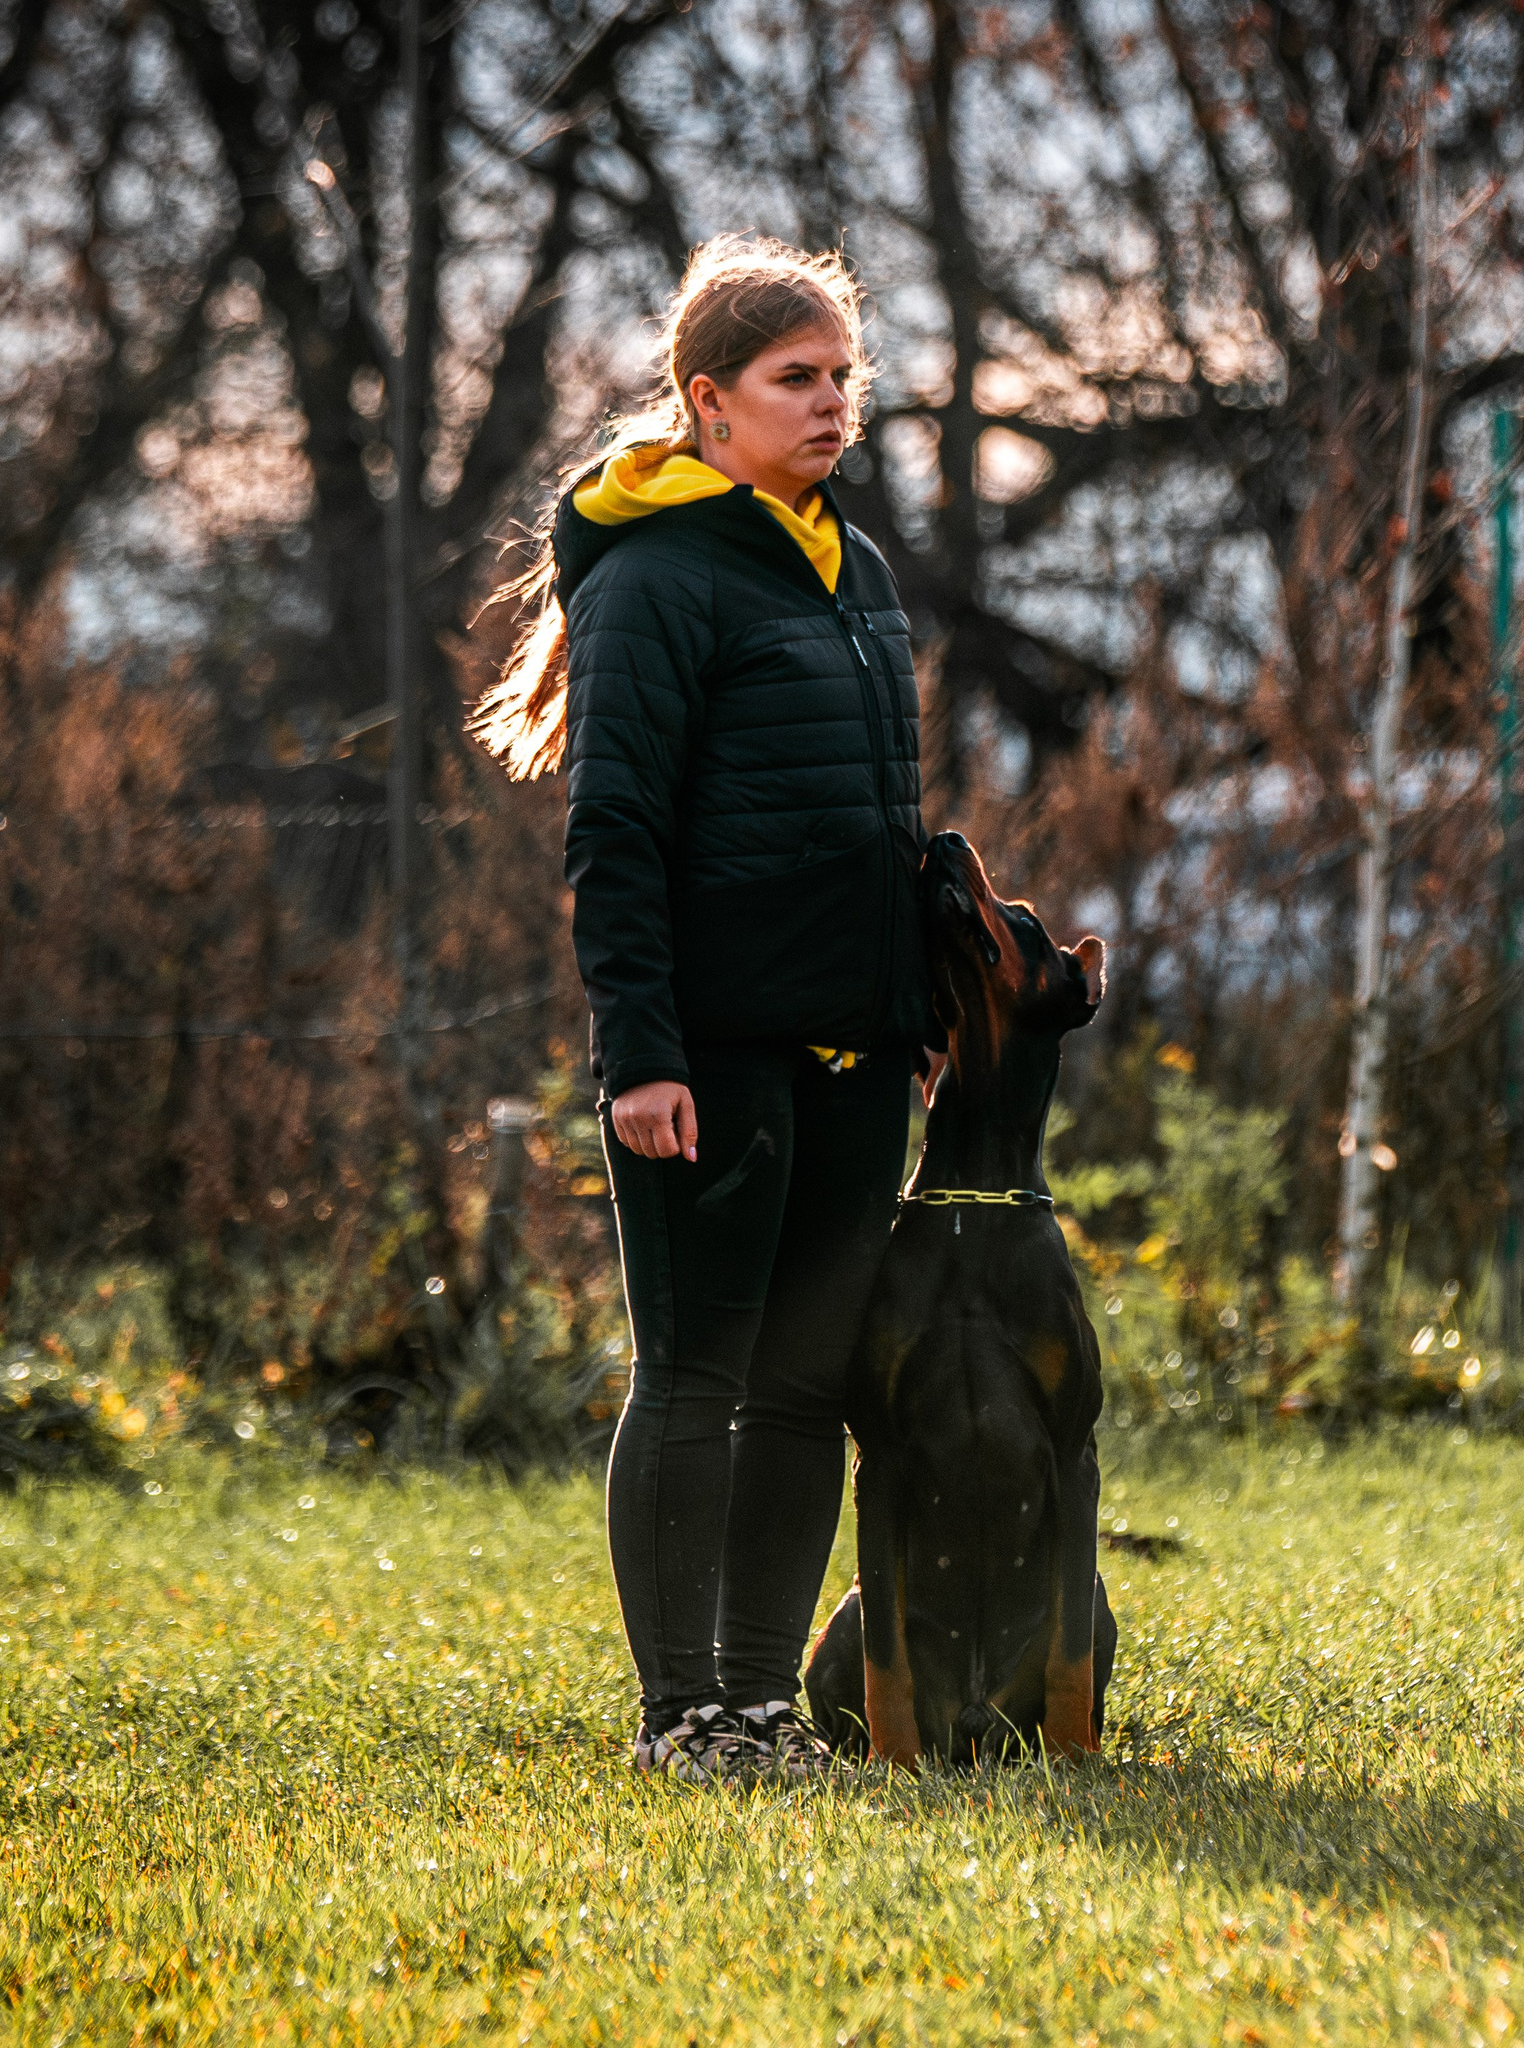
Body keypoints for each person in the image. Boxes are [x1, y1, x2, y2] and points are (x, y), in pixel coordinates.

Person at [472, 237, 938, 1782]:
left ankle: (761, 1704)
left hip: (858, 1052)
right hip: (712, 1054)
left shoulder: (855, 569)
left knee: (807, 1385)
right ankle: (683, 1715)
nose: (830, 405)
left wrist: (918, 1000)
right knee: (696, 1376)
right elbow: (615, 833)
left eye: (841, 377)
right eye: (795, 380)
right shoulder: (657, 574)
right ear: (706, 399)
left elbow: (882, 813)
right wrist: (642, 1055)